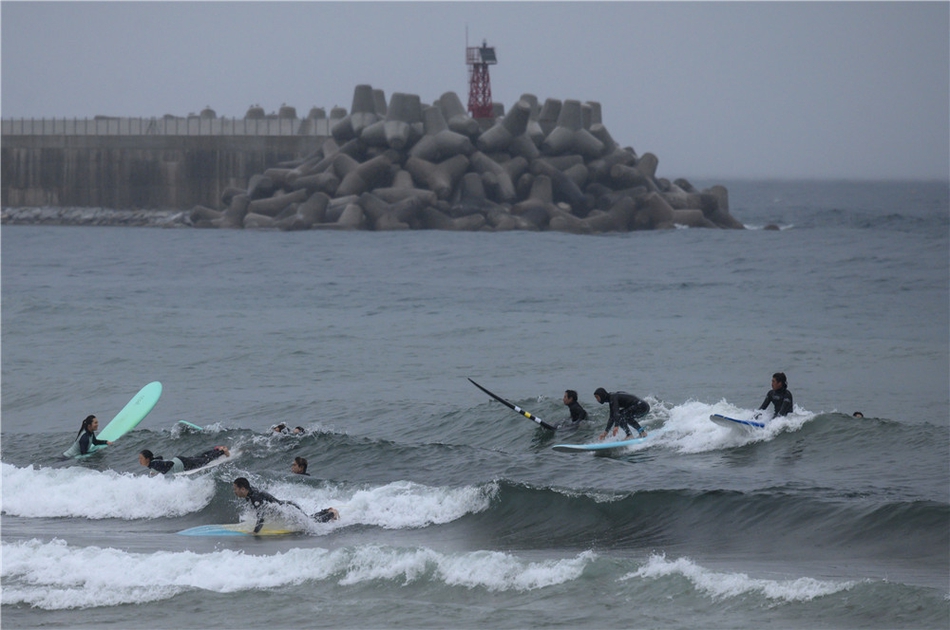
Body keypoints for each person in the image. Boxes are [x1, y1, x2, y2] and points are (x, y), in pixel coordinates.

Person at [232, 477, 338, 533]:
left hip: (290, 509)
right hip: (288, 506)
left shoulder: (254, 497)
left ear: (243, 489)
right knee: (308, 519)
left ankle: (331, 514)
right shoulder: (250, 493)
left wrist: (255, 532)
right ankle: (326, 511)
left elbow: (261, 517)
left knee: (310, 526)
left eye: (235, 489)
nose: (234, 492)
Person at [138, 446, 230, 475]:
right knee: (200, 457)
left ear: (148, 459)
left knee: (204, 460)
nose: (140, 461)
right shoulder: (153, 463)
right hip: (180, 460)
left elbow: (169, 464)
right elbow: (160, 457)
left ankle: (222, 451)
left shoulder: (154, 465)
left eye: (141, 459)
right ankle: (216, 450)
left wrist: (161, 470)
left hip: (183, 464)